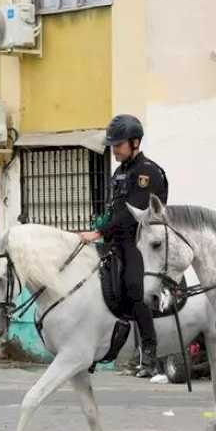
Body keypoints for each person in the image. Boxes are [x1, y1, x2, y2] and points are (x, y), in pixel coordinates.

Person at [79, 114, 169, 377]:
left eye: (118, 145)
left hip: (138, 244)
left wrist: (99, 231)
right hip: (115, 241)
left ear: (135, 142)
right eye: (113, 145)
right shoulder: (120, 171)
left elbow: (133, 215)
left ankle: (149, 353)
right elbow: (114, 208)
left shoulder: (147, 172)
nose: (114, 150)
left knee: (134, 290)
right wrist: (100, 223)